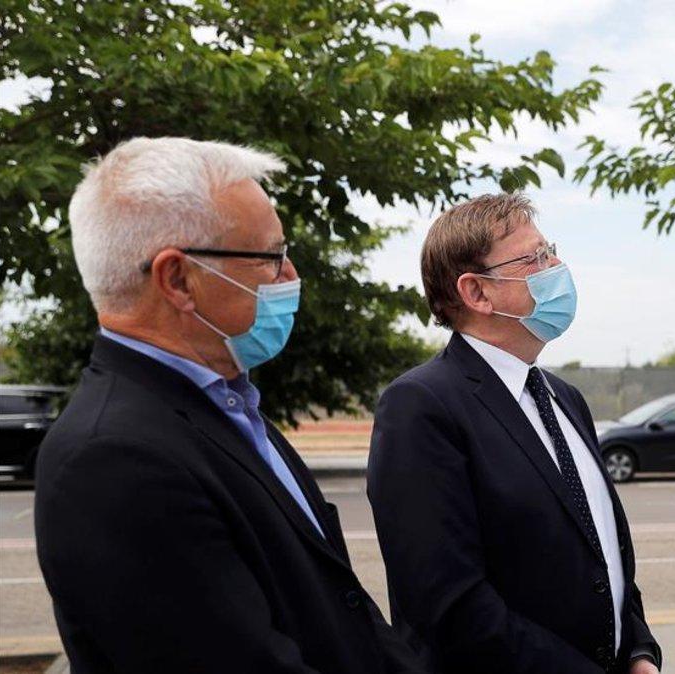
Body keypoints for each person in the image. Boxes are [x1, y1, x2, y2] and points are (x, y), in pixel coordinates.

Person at [34, 137, 430, 673]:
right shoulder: (115, 459)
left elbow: (346, 610)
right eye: (272, 257)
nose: (290, 278)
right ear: (177, 279)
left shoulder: (227, 406)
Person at [366, 193, 661, 674]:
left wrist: (639, 651)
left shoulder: (565, 398)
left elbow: (602, 555)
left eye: (552, 250)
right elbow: (449, 605)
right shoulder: (421, 406)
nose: (557, 266)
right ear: (476, 292)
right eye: (535, 258)